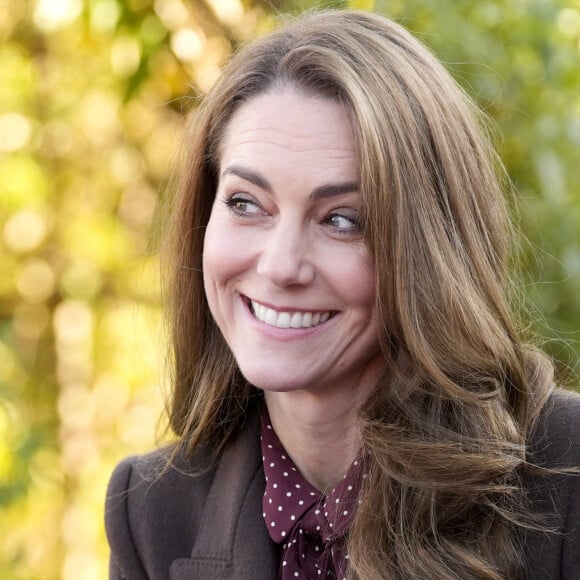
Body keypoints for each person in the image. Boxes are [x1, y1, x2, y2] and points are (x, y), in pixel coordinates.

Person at [105, 9, 580, 580]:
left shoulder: (567, 475)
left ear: (429, 248)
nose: (280, 266)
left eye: (342, 220)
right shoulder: (151, 512)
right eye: (245, 203)